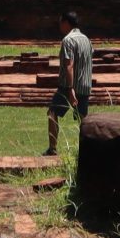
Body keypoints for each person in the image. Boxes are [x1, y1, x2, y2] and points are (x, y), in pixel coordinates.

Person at [45, 9, 94, 155]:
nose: (59, 26)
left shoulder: (68, 40)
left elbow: (69, 64)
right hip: (85, 85)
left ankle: (53, 148)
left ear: (66, 23)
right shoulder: (86, 39)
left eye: (60, 22)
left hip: (68, 87)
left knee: (52, 113)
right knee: (83, 121)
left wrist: (71, 88)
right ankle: (87, 150)